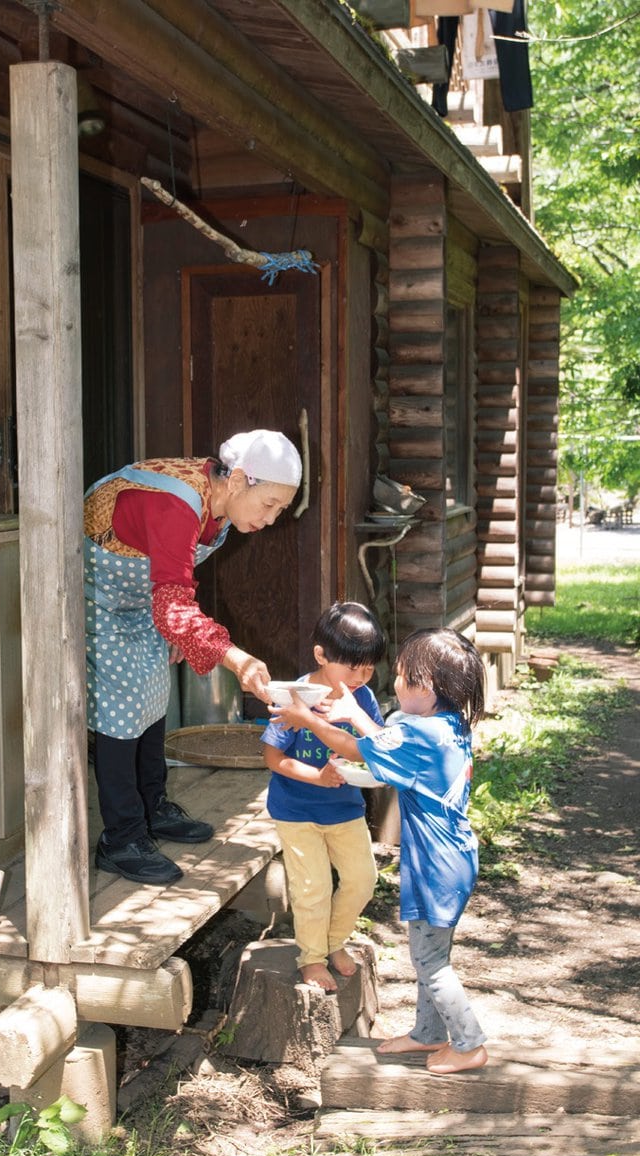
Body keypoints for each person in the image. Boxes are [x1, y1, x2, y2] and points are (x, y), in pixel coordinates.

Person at [84, 429, 302, 885]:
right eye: (269, 505)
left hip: (141, 597)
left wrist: (182, 635)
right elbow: (173, 606)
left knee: (153, 693)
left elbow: (171, 589)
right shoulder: (176, 505)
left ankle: (151, 807)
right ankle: (121, 837)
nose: (272, 518)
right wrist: (235, 658)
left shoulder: (218, 504)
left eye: (280, 509)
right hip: (94, 595)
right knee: (122, 709)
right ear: (239, 479)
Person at [271, 627, 488, 1075]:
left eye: (402, 676)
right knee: (430, 956)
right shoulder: (444, 725)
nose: (393, 683)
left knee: (430, 963)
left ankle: (468, 1044)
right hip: (449, 860)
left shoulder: (422, 735)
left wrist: (312, 719)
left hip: (437, 867)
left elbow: (360, 749)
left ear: (425, 687)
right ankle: (429, 1034)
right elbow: (383, 745)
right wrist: (353, 714)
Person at [261, 602, 385, 992]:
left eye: (369, 668)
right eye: (353, 667)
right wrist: (318, 777)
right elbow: (272, 757)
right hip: (296, 810)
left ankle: (333, 943)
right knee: (312, 886)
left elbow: (376, 746)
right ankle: (311, 958)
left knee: (362, 880)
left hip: (345, 808)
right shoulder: (296, 697)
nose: (362, 677)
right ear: (321, 655)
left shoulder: (361, 699)